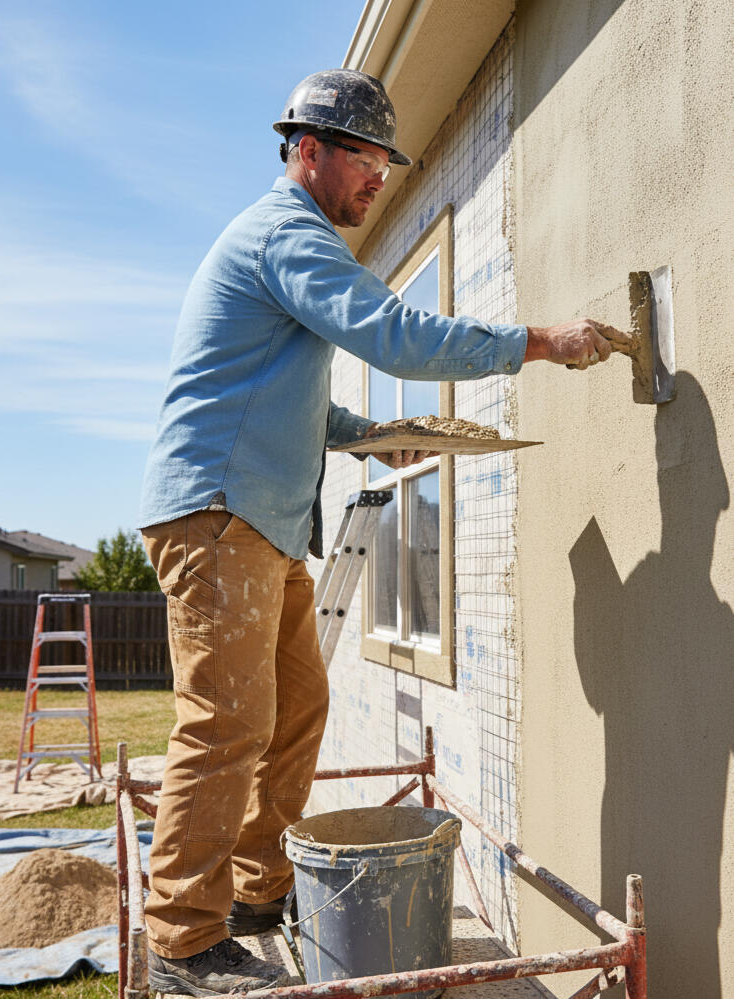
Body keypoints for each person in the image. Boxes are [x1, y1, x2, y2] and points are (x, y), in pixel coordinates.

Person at [138, 69, 624, 996]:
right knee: (224, 722)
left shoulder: (292, 247)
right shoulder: (287, 234)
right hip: (217, 513)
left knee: (295, 707)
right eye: (364, 158)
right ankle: (180, 939)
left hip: (263, 520)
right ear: (307, 150)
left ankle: (253, 892)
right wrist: (534, 342)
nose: (378, 178)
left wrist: (369, 438)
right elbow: (391, 333)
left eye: (383, 164)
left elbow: (284, 394)